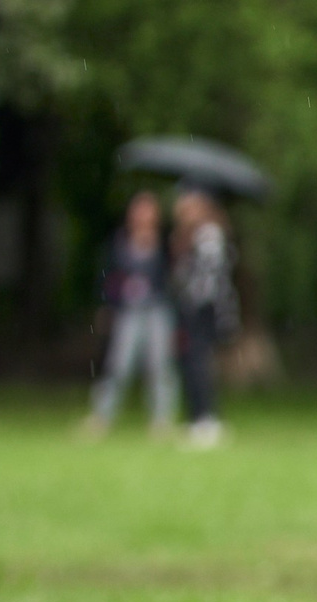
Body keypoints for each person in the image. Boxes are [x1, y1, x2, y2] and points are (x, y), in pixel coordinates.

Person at [86, 192, 177, 436]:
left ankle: (161, 420)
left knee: (159, 365)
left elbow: (172, 277)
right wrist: (106, 304)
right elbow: (106, 276)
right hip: (128, 310)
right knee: (119, 364)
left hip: (157, 309)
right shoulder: (119, 242)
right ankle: (101, 417)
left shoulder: (166, 242)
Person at [169, 188, 236, 448]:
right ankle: (196, 417)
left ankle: (207, 419)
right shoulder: (187, 235)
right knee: (189, 362)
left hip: (204, 309)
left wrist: (189, 296)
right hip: (189, 307)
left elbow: (210, 276)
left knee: (199, 362)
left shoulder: (210, 234)